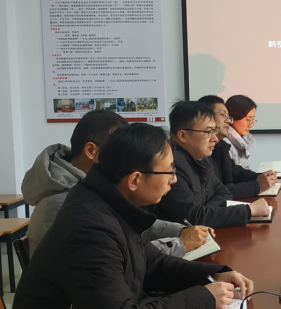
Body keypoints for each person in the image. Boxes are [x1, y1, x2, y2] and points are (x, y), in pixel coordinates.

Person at [0, 123, 254, 309]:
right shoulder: (90, 228)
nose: (174, 180)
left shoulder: (111, 204)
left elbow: (152, 263)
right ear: (134, 180)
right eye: (169, 171)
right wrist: (205, 299)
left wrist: (215, 273)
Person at [21, 110, 211, 258]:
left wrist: (180, 231)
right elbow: (117, 255)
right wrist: (180, 244)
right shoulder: (63, 203)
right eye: (117, 148)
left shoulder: (97, 185)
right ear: (91, 150)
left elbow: (136, 225)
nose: (128, 157)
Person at [155, 101, 270, 227]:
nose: (214, 138)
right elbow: (194, 219)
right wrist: (248, 211)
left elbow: (224, 193)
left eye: (214, 131)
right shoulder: (170, 166)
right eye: (208, 132)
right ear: (183, 135)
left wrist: (205, 211)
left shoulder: (201, 159)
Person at [198, 95, 277, 199]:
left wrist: (261, 177)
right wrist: (257, 185)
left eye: (228, 116)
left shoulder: (221, 146)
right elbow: (217, 191)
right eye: (223, 115)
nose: (228, 121)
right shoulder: (199, 153)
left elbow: (236, 172)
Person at [225, 94, 258, 169]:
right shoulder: (225, 144)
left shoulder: (242, 141)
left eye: (252, 120)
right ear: (231, 118)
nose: (251, 125)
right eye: (248, 120)